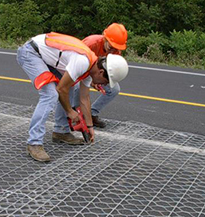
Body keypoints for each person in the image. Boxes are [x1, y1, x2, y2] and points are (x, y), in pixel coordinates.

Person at [17, 32, 128, 162]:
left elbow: (84, 98)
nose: (104, 85)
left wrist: (89, 126)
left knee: (69, 87)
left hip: (45, 56)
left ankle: (61, 132)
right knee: (50, 94)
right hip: (31, 53)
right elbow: (61, 89)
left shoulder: (90, 67)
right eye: (106, 81)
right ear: (101, 72)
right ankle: (34, 143)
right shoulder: (83, 62)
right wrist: (70, 111)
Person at [80, 23, 128, 128]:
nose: (113, 49)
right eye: (111, 46)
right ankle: (71, 115)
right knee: (76, 92)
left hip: (98, 75)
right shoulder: (91, 43)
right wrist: (92, 79)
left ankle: (91, 113)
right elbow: (76, 62)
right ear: (105, 38)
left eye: (116, 47)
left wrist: (98, 81)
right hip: (81, 71)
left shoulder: (116, 51)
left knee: (114, 89)